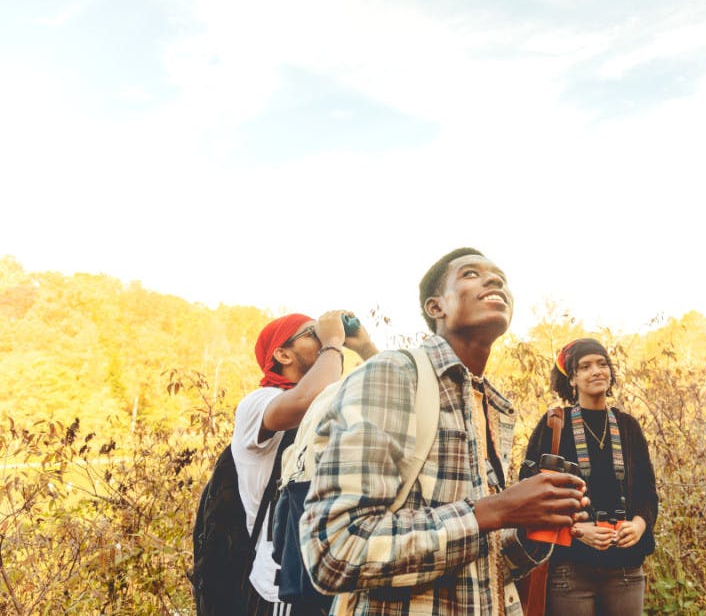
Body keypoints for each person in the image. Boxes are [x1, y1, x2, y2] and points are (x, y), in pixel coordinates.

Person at [300, 247, 590, 615]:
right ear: (436, 307)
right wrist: (495, 509)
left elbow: (483, 569)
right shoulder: (394, 374)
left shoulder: (493, 406)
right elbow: (335, 551)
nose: (494, 280)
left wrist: (532, 525)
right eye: (470, 274)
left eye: (500, 278)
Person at [233, 310, 378, 616]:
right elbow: (305, 399)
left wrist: (365, 348)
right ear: (283, 354)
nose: (323, 338)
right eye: (313, 333)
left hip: (333, 571)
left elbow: (393, 398)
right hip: (282, 582)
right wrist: (333, 342)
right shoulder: (257, 404)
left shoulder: (334, 400)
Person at [523, 338, 657, 616]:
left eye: (602, 364)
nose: (596, 371)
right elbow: (530, 496)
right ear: (572, 379)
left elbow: (648, 494)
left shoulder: (628, 426)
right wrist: (578, 531)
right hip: (570, 569)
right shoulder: (554, 425)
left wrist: (639, 525)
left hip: (625, 568)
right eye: (585, 366)